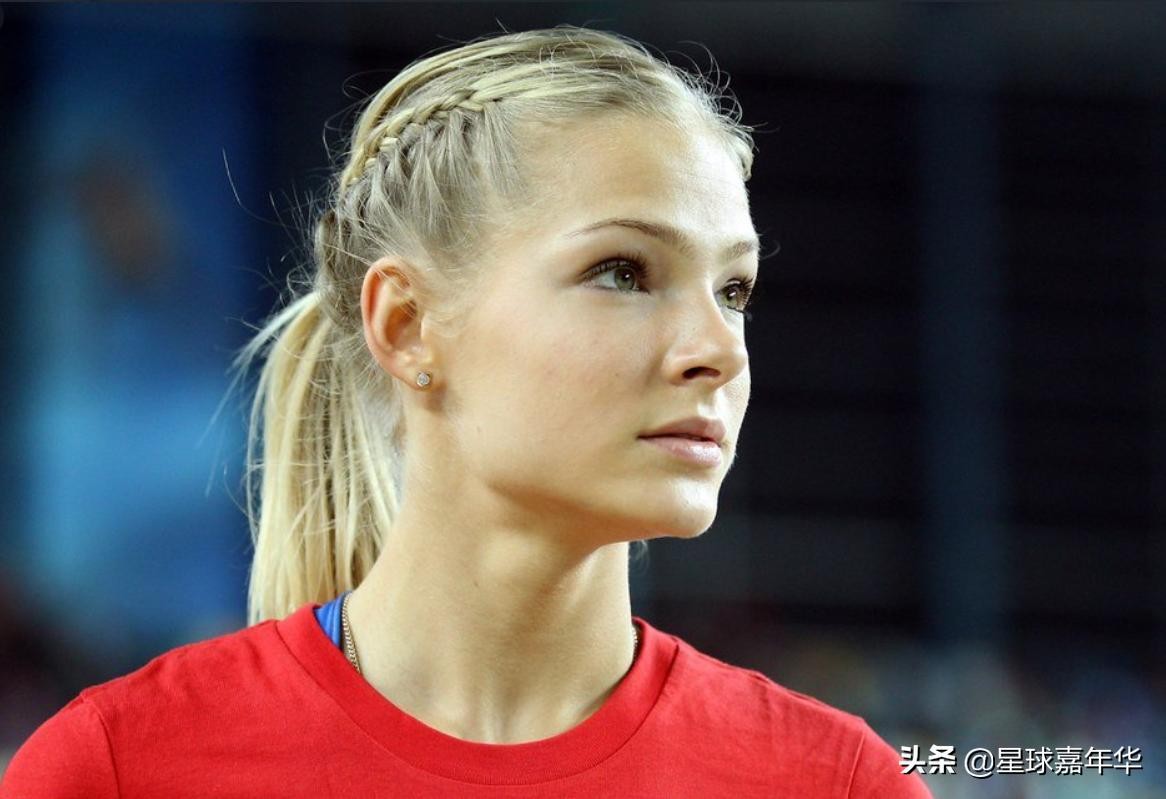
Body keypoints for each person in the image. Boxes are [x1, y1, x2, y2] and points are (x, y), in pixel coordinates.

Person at [1, 26, 933, 797]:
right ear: (406, 326)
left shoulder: (837, 781)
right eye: (623, 271)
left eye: (734, 290)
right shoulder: (119, 768)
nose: (719, 349)